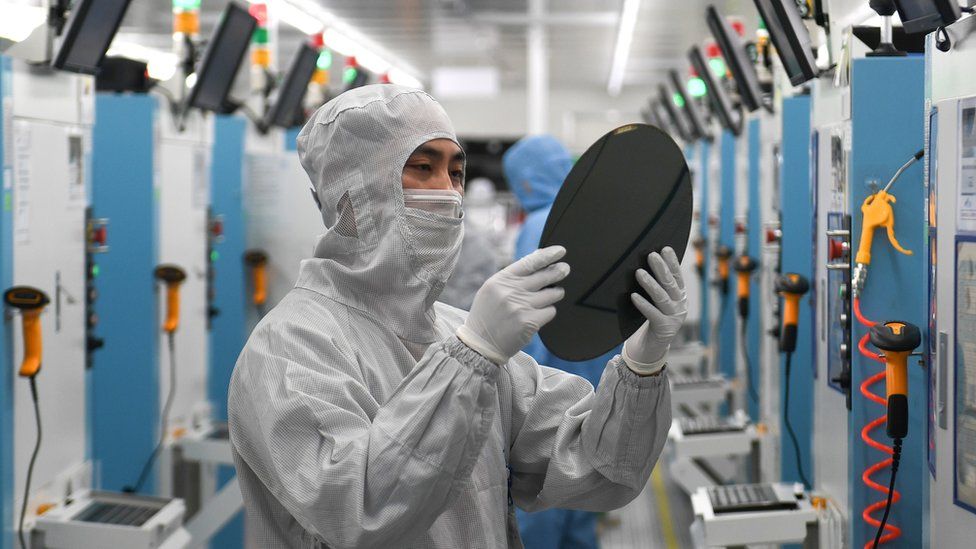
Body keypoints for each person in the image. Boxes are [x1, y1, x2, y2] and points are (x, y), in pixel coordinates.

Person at [228, 84, 687, 548]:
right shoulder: (289, 349)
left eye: (456, 171)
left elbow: (596, 466)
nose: (447, 192)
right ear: (350, 190)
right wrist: (472, 357)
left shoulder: (450, 329)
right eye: (422, 168)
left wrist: (641, 364)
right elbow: (358, 511)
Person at [504, 135, 619, 548]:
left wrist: (517, 383)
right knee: (582, 483)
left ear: (526, 183)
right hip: (599, 371)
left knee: (543, 491)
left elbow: (532, 315)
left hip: (553, 379)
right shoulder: (592, 216)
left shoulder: (538, 226)